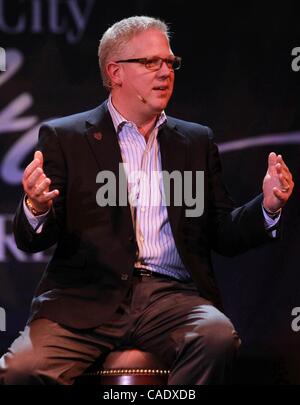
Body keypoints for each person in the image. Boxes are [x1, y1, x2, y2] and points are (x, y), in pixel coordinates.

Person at [0, 16, 294, 385]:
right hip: (85, 295)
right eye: (150, 62)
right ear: (115, 72)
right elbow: (32, 240)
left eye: (170, 62)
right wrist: (37, 208)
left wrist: (268, 207)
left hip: (171, 299)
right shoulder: (66, 137)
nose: (165, 72)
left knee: (216, 336)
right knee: (19, 371)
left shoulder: (195, 141)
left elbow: (223, 232)